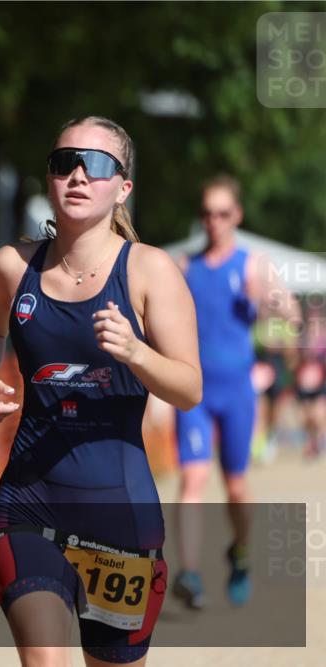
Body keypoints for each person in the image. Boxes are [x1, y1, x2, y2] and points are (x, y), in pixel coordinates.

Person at [0, 116, 202, 666]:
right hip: (28, 501)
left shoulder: (150, 271)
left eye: (95, 165)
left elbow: (189, 389)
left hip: (119, 512)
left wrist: (137, 353)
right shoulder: (12, 266)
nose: (77, 175)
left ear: (122, 188)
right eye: (63, 162)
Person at [172, 175, 300, 609]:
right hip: (194, 391)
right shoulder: (185, 267)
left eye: (223, 213)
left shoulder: (254, 265)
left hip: (237, 392)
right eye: (207, 213)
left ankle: (240, 553)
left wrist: (272, 302)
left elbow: (292, 314)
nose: (215, 221)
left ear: (237, 216)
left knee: (236, 486)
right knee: (192, 477)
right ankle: (190, 573)